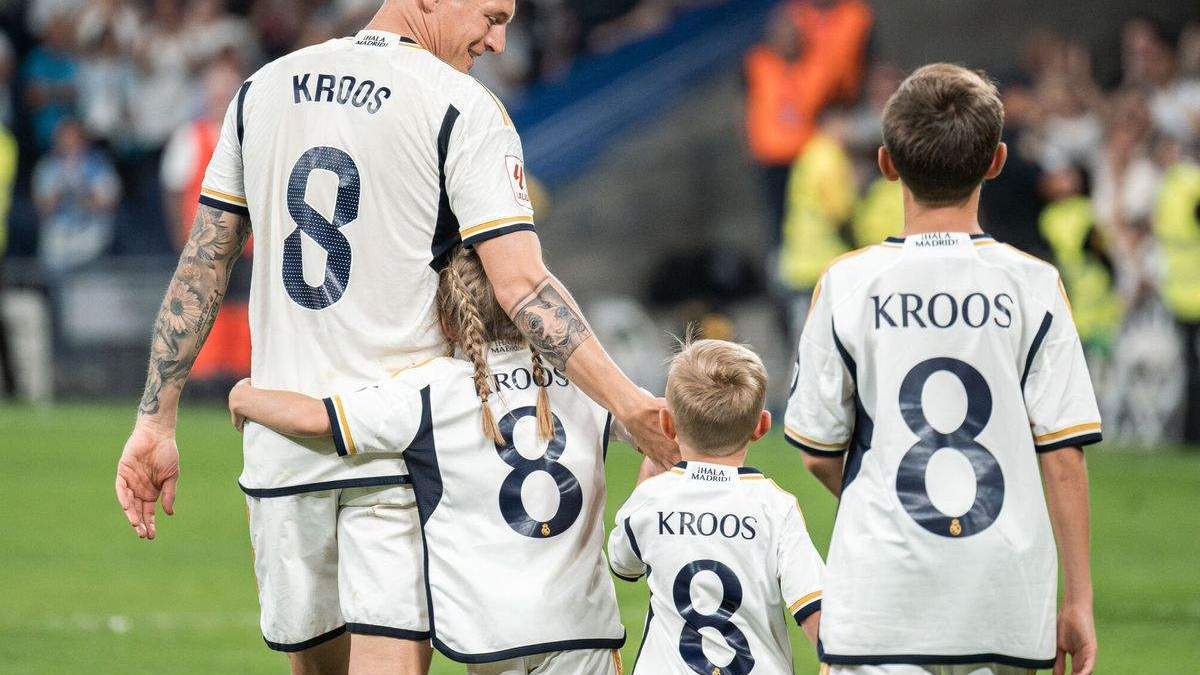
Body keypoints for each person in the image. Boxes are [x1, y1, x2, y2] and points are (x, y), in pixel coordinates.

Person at [114, 1, 675, 674]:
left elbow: (205, 261)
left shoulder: (260, 90)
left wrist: (156, 419)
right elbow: (523, 285)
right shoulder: (459, 106)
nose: (498, 42)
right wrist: (629, 403)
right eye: (492, 17)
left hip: (282, 454)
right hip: (395, 449)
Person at [786, 64, 1099, 675]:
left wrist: (886, 493)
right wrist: (1079, 600)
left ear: (886, 164)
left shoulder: (847, 284)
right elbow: (1063, 454)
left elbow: (818, 453)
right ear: (997, 161)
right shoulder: (1034, 285)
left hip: (882, 596)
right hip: (1005, 596)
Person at [227, 245, 625, 674]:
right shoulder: (586, 384)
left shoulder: (434, 391)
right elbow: (661, 429)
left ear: (446, 322)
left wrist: (245, 396)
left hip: (493, 636)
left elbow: (314, 418)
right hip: (585, 626)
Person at [609, 339, 824, 674]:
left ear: (667, 423)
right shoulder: (775, 508)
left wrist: (647, 478)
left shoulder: (651, 500)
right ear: (761, 426)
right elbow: (815, 608)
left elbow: (623, 565)